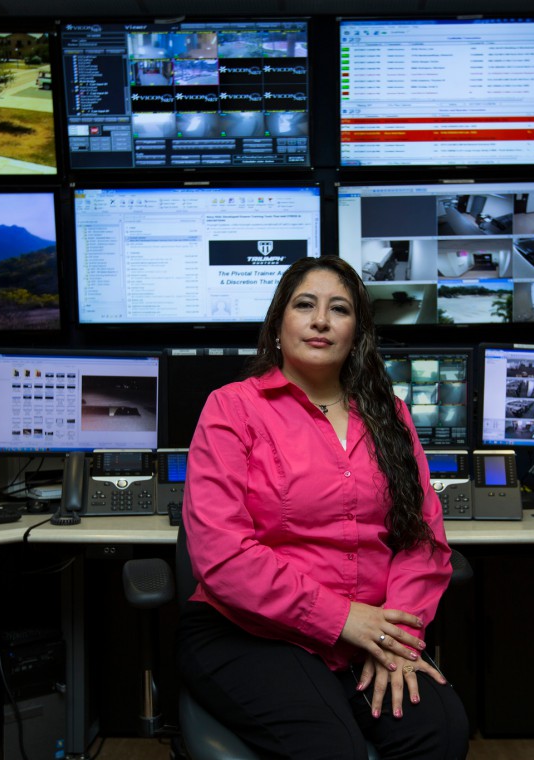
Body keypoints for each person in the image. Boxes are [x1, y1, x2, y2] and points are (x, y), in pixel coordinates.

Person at [178, 257, 469, 759]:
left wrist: (394, 639)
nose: (320, 320)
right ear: (278, 324)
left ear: (357, 332)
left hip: (371, 632)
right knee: (335, 749)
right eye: (304, 305)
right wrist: (343, 618)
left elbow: (422, 541)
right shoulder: (231, 408)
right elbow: (222, 554)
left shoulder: (390, 414)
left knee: (440, 732)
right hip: (251, 631)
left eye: (339, 309)